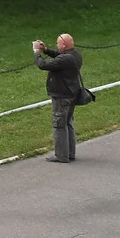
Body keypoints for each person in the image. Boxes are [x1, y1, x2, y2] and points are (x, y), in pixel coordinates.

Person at [34, 33, 84, 163]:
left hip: (62, 96)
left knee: (59, 124)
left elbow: (43, 65)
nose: (57, 45)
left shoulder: (66, 59)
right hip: (72, 93)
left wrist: (36, 52)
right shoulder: (75, 55)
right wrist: (46, 50)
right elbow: (59, 56)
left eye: (58, 44)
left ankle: (61, 155)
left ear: (63, 45)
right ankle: (70, 153)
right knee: (68, 123)